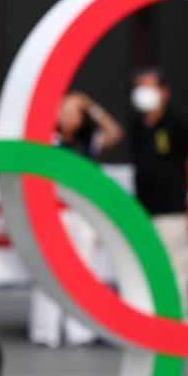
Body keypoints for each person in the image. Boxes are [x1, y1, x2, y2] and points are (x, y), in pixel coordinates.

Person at [29, 91, 123, 347]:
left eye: (74, 112)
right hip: (52, 213)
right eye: (64, 111)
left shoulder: (88, 142)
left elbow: (115, 132)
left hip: (81, 215)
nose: (68, 116)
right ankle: (45, 330)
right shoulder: (46, 139)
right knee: (48, 268)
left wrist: (91, 105)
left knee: (83, 271)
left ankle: (80, 330)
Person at [128, 67, 188, 312]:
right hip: (142, 209)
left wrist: (183, 189)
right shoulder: (137, 125)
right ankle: (148, 320)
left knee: (175, 269)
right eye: (138, 87)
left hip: (171, 208)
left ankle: (176, 322)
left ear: (164, 92)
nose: (142, 93)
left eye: (148, 87)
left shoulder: (177, 123)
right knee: (145, 268)